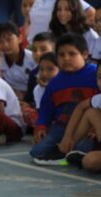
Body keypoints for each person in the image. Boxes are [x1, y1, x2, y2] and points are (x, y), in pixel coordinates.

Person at [32, 33, 98, 164]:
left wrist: (96, 128)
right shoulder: (55, 82)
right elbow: (46, 108)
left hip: (88, 127)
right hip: (61, 126)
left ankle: (66, 152)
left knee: (81, 149)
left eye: (72, 54)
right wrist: (41, 127)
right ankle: (63, 150)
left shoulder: (96, 74)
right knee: (36, 152)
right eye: (61, 55)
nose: (66, 58)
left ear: (85, 55)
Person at [0, 22, 36, 97]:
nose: (5, 45)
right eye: (0, 42)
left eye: (9, 40)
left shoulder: (32, 58)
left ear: (20, 38)